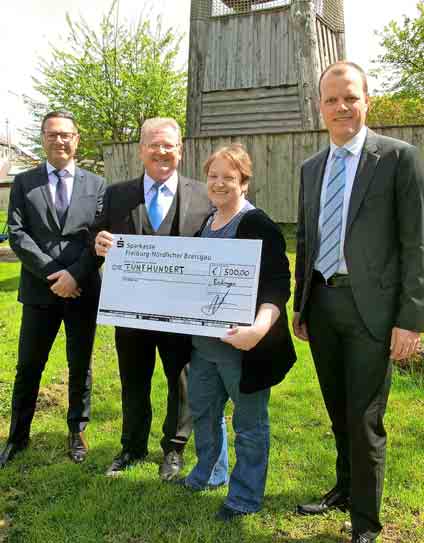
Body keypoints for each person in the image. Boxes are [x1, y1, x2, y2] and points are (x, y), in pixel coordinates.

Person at [293, 61, 424, 543]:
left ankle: (366, 523)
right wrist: (300, 306)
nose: (341, 107)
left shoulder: (398, 158)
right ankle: (344, 489)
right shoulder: (311, 168)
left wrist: (410, 320)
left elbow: (417, 244)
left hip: (373, 312)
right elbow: (306, 240)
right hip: (324, 306)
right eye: (331, 99)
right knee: (337, 410)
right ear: (320, 107)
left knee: (365, 419)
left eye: (350, 97)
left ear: (367, 100)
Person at [174, 143, 296, 521]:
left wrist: (258, 329)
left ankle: (244, 496)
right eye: (213, 177)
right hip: (204, 349)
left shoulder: (258, 225)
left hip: (245, 350)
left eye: (229, 177)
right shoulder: (205, 226)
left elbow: (278, 284)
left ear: (244, 182)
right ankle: (209, 473)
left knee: (249, 425)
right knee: (204, 413)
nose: (219, 184)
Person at [94, 117, 210, 480]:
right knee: (134, 379)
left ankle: (174, 450)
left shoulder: (204, 195)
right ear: (141, 150)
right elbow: (93, 237)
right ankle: (131, 446)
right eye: (153, 145)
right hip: (130, 310)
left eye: (169, 145)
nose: (162, 151)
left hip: (181, 312)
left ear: (181, 149)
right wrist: (98, 245)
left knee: (181, 380)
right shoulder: (116, 194)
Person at [0, 110, 105, 467]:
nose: (59, 140)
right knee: (29, 365)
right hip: (39, 291)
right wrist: (54, 274)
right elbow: (17, 234)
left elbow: (99, 239)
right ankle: (18, 436)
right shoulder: (24, 183)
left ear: (77, 139)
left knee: (80, 365)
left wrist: (75, 275)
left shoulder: (97, 185)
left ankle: (77, 430)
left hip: (82, 290)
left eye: (66, 135)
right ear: (43, 139)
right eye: (52, 134)